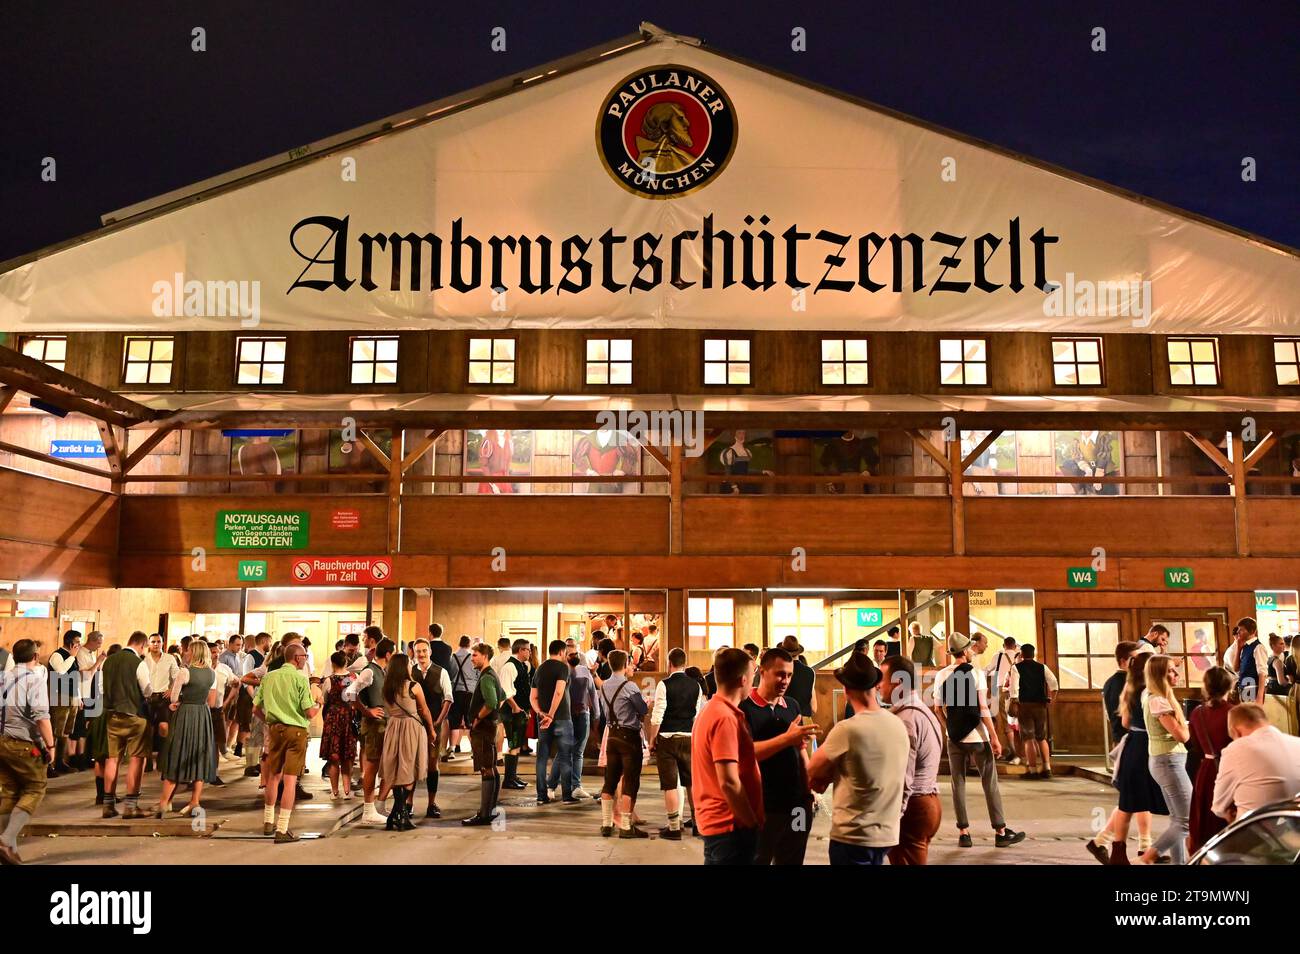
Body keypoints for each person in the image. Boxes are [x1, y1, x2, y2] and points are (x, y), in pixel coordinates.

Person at [807, 653, 909, 865]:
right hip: (886, 833)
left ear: (845, 689)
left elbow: (812, 771)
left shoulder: (847, 729)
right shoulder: (898, 724)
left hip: (854, 836)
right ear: (875, 686)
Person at [932, 632, 1025, 848]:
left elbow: (938, 709)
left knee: (958, 783)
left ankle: (964, 832)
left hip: (953, 737)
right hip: (978, 736)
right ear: (965, 651)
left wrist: (949, 729)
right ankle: (1000, 831)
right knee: (989, 782)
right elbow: (982, 708)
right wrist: (994, 736)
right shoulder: (975, 673)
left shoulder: (941, 675)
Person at [740, 647, 820, 864]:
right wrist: (787, 738)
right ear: (762, 672)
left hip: (797, 806)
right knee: (759, 858)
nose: (785, 680)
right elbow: (746, 755)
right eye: (780, 674)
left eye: (789, 675)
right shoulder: (745, 709)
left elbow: (800, 749)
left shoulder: (792, 706)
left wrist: (810, 791)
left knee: (792, 858)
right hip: (764, 806)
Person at [691, 647, 763, 864]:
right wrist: (751, 823)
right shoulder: (724, 718)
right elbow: (729, 782)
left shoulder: (711, 710)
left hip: (720, 826)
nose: (754, 682)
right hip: (730, 826)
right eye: (753, 676)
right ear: (743, 680)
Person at [254, 641, 321, 843]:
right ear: (297, 658)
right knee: (290, 780)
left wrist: (270, 720)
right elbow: (309, 712)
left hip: (275, 730)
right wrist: (319, 703)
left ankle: (267, 821)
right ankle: (282, 829)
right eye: (305, 657)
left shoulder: (269, 677)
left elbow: (255, 709)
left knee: (273, 777)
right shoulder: (300, 679)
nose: (305, 660)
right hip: (296, 732)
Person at [880, 655, 943, 865]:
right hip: (927, 800)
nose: (878, 685)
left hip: (914, 805)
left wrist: (894, 815)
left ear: (897, 682)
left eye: (882, 679)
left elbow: (903, 775)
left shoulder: (906, 719)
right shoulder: (922, 711)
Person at [1085, 641, 1143, 863]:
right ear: (1124, 660)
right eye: (1135, 659)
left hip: (1128, 741)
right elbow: (1123, 718)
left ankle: (1132, 846)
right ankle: (1108, 843)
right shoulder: (1120, 683)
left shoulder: (1122, 682)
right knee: (1133, 798)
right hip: (1127, 742)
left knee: (1136, 798)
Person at [0, 639, 55, 865]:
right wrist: (50, 746)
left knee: (10, 791)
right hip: (23, 743)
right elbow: (41, 717)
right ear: (35, 657)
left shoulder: (3, 677)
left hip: (1, 741)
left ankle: (8, 850)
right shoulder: (35, 680)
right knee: (35, 787)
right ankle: (6, 839)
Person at [1140, 654, 1192, 865]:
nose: (1176, 673)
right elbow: (1183, 735)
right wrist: (1186, 725)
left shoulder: (1152, 696)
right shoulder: (1158, 700)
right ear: (1159, 675)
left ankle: (1179, 863)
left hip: (1165, 760)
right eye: (1170, 670)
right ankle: (1148, 857)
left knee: (1177, 820)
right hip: (1168, 761)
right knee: (1186, 821)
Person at [156, 639, 218, 818]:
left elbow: (174, 697)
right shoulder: (212, 673)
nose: (186, 653)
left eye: (189, 650)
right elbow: (211, 701)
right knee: (200, 756)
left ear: (194, 652)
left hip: (185, 715)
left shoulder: (185, 671)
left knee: (177, 753)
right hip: (202, 715)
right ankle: (194, 802)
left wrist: (178, 703)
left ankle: (164, 802)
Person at [1212, 703, 1300, 822]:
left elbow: (1219, 806)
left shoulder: (1237, 748)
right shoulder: (1297, 743)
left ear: (1236, 731)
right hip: (1293, 831)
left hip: (1257, 833)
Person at [378, 654, 435, 832]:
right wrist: (432, 730)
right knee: (409, 769)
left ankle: (395, 816)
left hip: (393, 728)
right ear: (404, 667)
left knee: (396, 770)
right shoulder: (413, 686)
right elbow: (424, 710)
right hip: (412, 728)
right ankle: (401, 817)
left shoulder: (386, 688)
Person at [649, 647, 702, 839]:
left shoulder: (664, 684)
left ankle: (673, 828)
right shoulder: (696, 685)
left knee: (670, 784)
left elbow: (657, 715)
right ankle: (698, 824)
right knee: (692, 783)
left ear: (669, 663)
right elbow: (697, 714)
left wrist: (653, 738)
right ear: (685, 663)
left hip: (668, 738)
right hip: (689, 737)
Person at [343, 635, 394, 824]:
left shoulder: (382, 671)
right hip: (373, 726)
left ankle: (375, 807)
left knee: (381, 765)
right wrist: (367, 711)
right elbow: (349, 692)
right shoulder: (370, 671)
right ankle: (368, 809)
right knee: (371, 766)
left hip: (383, 725)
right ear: (388, 654)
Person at [101, 631, 152, 820]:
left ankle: (108, 805)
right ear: (142, 644)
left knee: (112, 759)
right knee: (137, 759)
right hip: (134, 715)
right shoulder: (138, 663)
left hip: (112, 715)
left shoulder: (109, 661)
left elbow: (101, 688)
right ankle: (131, 806)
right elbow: (147, 690)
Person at [598, 650, 648, 836]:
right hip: (629, 736)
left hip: (611, 736)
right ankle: (626, 826)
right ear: (625, 663)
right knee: (630, 780)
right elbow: (642, 708)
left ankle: (606, 824)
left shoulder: (603, 686)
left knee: (610, 780)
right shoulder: (630, 686)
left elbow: (603, 712)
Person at [1188, 666, 1235, 853]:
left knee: (1205, 816)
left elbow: (1195, 747)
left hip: (1207, 769)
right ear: (1229, 686)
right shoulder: (1234, 712)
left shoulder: (1197, 713)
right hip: (1229, 768)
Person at [529, 639, 577, 805]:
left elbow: (532, 697)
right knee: (565, 756)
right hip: (562, 717)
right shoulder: (563, 668)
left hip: (542, 720)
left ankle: (541, 795)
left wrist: (540, 713)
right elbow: (559, 693)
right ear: (562, 652)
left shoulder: (539, 669)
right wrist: (551, 714)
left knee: (542, 757)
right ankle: (566, 795)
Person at [462, 643, 504, 827]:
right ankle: (490, 810)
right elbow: (502, 696)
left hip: (483, 729)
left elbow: (493, 701)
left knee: (486, 769)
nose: (472, 658)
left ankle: (484, 814)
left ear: (485, 656)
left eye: (475, 655)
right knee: (491, 767)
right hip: (490, 727)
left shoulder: (487, 677)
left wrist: (478, 718)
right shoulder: (492, 674)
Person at [410, 638, 452, 815]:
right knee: (411, 764)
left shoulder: (441, 672)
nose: (421, 654)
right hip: (414, 724)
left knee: (433, 764)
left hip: (434, 723)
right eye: (418, 651)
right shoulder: (410, 671)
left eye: (424, 651)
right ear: (414, 653)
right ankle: (408, 804)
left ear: (430, 652)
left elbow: (448, 698)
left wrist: (439, 721)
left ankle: (431, 804)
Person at [1012, 643, 1058, 779]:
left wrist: (1015, 703)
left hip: (1025, 705)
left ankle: (1032, 770)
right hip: (1040, 705)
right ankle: (1047, 768)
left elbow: (1014, 689)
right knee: (1041, 737)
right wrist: (1052, 699)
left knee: (1028, 738)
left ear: (1021, 654)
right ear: (1034, 654)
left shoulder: (1016, 668)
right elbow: (1054, 683)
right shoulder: (1042, 667)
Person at [557, 649, 597, 800]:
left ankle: (552, 785)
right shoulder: (584, 673)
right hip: (579, 714)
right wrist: (597, 715)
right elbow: (592, 695)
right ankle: (574, 785)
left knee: (565, 752)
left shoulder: (563, 673)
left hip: (567, 715)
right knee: (576, 752)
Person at [319, 652, 358, 800]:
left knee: (334, 757)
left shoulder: (329, 680)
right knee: (347, 756)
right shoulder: (353, 678)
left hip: (333, 719)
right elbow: (355, 698)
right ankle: (347, 790)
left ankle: (335, 792)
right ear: (346, 662)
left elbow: (325, 699)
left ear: (333, 664)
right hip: (349, 717)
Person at [46, 629, 82, 776]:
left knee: (66, 731)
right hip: (59, 695)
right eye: (77, 642)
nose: (79, 645)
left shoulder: (73, 657)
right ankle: (49, 765)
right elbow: (61, 671)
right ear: (70, 642)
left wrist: (78, 697)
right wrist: (72, 657)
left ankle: (60, 761)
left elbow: (75, 677)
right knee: (56, 731)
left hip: (72, 696)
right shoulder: (57, 655)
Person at [142, 633, 179, 769]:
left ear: (162, 643)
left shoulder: (170, 658)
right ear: (149, 644)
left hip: (163, 698)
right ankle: (148, 762)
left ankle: (163, 760)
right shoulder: (143, 659)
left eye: (158, 641)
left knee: (164, 727)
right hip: (148, 697)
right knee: (148, 730)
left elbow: (177, 676)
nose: (156, 644)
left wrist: (171, 689)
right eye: (153, 642)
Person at [984, 636, 1020, 762]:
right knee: (1020, 722)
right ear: (1015, 646)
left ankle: (1011, 751)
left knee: (1005, 721)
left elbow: (986, 670)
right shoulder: (1020, 656)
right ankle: (1019, 753)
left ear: (1004, 646)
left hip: (1001, 690)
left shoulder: (998, 656)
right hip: (1019, 692)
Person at [446, 635, 478, 760]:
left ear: (459, 643)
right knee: (470, 723)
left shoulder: (452, 657)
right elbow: (477, 673)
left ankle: (452, 749)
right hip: (470, 692)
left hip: (456, 692)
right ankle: (474, 751)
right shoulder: (472, 657)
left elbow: (451, 673)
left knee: (454, 722)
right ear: (469, 645)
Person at [1224, 617, 1269, 703]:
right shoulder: (1244, 646)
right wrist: (1238, 648)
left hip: (1253, 687)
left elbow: (1262, 673)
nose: (1238, 632)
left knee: (1250, 714)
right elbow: (1236, 668)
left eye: (1241, 630)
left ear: (1251, 631)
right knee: (1245, 714)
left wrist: (1259, 696)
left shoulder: (1258, 647)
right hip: (1244, 687)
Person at [779, 636, 817, 724]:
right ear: (798, 652)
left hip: (784, 719)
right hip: (805, 720)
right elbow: (814, 708)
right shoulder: (810, 672)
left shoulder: (779, 670)